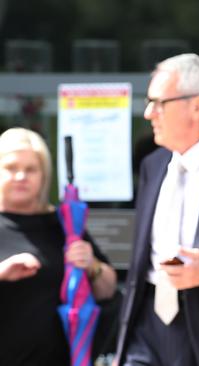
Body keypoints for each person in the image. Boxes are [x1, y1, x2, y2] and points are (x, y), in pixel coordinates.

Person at [114, 53, 199, 366]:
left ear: (197, 106)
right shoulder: (152, 165)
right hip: (146, 323)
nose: (148, 113)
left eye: (158, 102)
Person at [0, 127, 117, 365]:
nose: (21, 176)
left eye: (31, 169)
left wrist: (91, 265)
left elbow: (108, 288)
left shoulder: (65, 224)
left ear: (44, 176)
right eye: (11, 168)